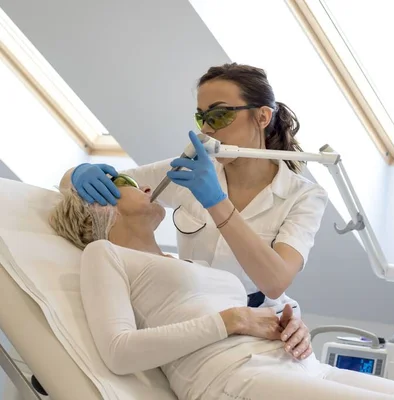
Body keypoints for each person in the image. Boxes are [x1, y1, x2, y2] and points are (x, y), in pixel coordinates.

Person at [48, 173, 394, 400]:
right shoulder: (104, 255)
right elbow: (120, 352)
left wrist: (292, 327)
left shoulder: (184, 262)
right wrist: (234, 320)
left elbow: (265, 305)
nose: (142, 184)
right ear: (100, 205)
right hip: (233, 379)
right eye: (122, 184)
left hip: (300, 366)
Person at [62, 63, 328, 318]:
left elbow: (275, 282)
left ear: (262, 116)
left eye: (219, 115)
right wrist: (76, 174)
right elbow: (102, 191)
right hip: (191, 308)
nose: (207, 130)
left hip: (261, 315)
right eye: (201, 117)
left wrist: (216, 201)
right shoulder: (188, 170)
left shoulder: (304, 197)